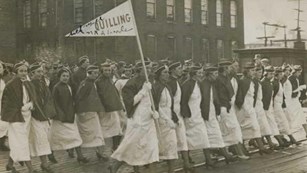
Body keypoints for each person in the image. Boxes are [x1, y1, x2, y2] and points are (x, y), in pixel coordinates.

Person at [2, 61, 51, 173]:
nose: (24, 73)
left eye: (25, 71)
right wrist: (20, 108)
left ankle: (10, 165)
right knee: (22, 142)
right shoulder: (10, 85)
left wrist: (30, 104)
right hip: (16, 118)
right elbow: (6, 104)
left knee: (20, 142)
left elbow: (33, 99)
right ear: (15, 72)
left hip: (27, 117)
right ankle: (31, 169)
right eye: (21, 71)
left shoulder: (28, 84)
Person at [111, 61, 159, 173]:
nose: (150, 71)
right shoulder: (130, 84)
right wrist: (143, 91)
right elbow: (129, 103)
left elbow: (151, 101)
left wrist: (153, 112)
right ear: (139, 70)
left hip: (149, 119)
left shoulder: (149, 82)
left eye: (150, 69)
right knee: (131, 145)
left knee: (152, 147)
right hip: (137, 119)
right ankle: (115, 167)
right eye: (146, 69)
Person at [50, 67, 88, 164]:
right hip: (60, 118)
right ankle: (50, 152)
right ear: (59, 77)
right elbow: (55, 103)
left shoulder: (68, 87)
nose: (65, 78)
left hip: (70, 116)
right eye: (63, 76)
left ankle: (80, 156)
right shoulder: (56, 88)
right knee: (56, 137)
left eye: (67, 76)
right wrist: (60, 115)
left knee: (75, 136)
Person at [201, 63, 237, 164]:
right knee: (207, 137)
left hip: (212, 112)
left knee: (215, 135)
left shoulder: (211, 84)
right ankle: (216, 157)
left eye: (217, 73)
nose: (216, 75)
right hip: (206, 114)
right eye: (214, 74)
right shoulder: (204, 84)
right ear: (209, 75)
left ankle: (221, 155)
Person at [180, 65, 214, 168]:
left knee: (204, 137)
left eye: (202, 73)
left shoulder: (198, 84)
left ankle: (208, 160)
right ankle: (186, 161)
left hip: (198, 115)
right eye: (199, 73)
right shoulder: (187, 85)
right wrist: (187, 115)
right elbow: (183, 101)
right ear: (193, 74)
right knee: (187, 139)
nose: (201, 75)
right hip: (189, 116)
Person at [215, 59, 249, 160]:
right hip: (223, 107)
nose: (231, 69)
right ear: (225, 68)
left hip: (229, 107)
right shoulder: (219, 79)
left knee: (233, 129)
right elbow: (219, 95)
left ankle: (233, 152)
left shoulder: (226, 78)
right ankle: (227, 152)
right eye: (229, 67)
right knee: (228, 129)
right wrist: (223, 107)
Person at [235, 62, 271, 154]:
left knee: (255, 127)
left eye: (254, 70)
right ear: (246, 71)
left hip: (250, 107)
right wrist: (242, 107)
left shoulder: (250, 81)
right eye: (252, 70)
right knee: (244, 127)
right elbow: (240, 95)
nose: (253, 72)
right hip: (244, 108)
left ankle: (261, 147)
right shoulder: (243, 81)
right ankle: (242, 147)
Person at [75, 65, 106, 161]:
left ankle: (100, 152)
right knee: (82, 134)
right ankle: (79, 155)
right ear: (89, 74)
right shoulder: (85, 84)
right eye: (94, 73)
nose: (96, 75)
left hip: (92, 111)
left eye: (97, 73)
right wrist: (80, 111)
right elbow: (79, 98)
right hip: (86, 113)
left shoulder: (92, 83)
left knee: (97, 132)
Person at [167, 62, 193, 172]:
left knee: (182, 139)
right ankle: (171, 168)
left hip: (179, 114)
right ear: (172, 71)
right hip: (172, 115)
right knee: (172, 142)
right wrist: (173, 116)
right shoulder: (171, 83)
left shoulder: (177, 81)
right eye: (178, 69)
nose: (181, 70)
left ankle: (186, 163)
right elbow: (169, 101)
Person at [152, 65, 178, 173]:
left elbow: (170, 105)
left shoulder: (168, 87)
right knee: (159, 146)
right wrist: (166, 119)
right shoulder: (156, 87)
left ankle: (171, 170)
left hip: (169, 118)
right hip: (161, 120)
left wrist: (173, 117)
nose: (167, 74)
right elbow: (156, 105)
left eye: (168, 72)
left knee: (172, 144)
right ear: (158, 75)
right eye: (164, 73)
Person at [96, 63, 123, 154]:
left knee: (117, 128)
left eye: (109, 70)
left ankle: (115, 146)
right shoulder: (98, 81)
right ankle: (99, 151)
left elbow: (114, 93)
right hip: (104, 109)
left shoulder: (110, 79)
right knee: (102, 130)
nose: (107, 72)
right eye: (105, 70)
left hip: (113, 108)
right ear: (101, 71)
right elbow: (100, 96)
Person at [261, 66, 288, 148]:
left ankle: (276, 141)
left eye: (273, 73)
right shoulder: (263, 83)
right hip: (264, 107)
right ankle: (279, 142)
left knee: (269, 124)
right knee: (267, 124)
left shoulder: (270, 82)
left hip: (270, 106)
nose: (272, 75)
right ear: (265, 74)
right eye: (270, 74)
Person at [253, 67, 278, 150]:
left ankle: (265, 142)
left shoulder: (263, 82)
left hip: (263, 106)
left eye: (261, 72)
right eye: (259, 72)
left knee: (263, 125)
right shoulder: (261, 82)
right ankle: (263, 143)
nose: (260, 74)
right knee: (260, 125)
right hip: (259, 106)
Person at [286, 65, 307, 136]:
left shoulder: (295, 78)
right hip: (291, 101)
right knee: (290, 117)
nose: (300, 74)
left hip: (295, 100)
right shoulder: (290, 79)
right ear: (295, 71)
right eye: (299, 72)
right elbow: (291, 91)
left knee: (301, 116)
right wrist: (301, 88)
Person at [0, 61, 9, 151]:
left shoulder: (3, 81)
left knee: (4, 123)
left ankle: (1, 143)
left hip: (2, 104)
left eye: (0, 68)